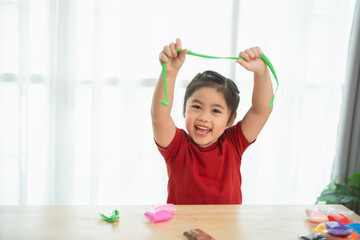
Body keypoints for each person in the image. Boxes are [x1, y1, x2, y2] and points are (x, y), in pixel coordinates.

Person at [151, 38, 273, 204]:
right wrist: (170, 73)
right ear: (183, 110)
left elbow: (260, 111)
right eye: (196, 107)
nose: (204, 117)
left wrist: (261, 72)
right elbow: (160, 118)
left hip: (227, 229)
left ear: (230, 120)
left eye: (216, 111)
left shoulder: (234, 142)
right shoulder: (177, 146)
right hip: (183, 229)